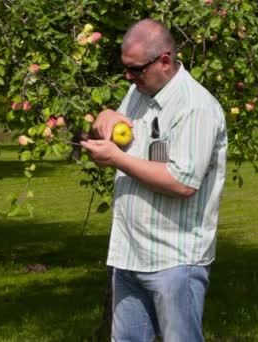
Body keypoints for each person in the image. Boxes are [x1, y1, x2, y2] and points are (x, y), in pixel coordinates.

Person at [80, 18, 227, 342]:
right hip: (130, 253)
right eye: (125, 69)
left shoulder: (195, 107)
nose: (128, 78)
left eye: (135, 70)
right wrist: (103, 118)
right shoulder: (139, 91)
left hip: (175, 260)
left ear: (164, 61)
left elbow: (182, 183)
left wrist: (116, 159)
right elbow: (115, 133)